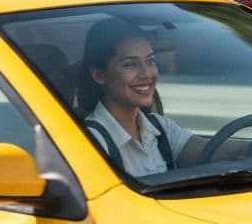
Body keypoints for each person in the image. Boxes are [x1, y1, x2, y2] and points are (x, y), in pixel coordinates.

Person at [75, 17, 206, 177]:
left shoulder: (160, 128)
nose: (146, 74)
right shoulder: (91, 141)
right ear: (99, 75)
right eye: (130, 64)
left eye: (150, 61)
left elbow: (216, 150)